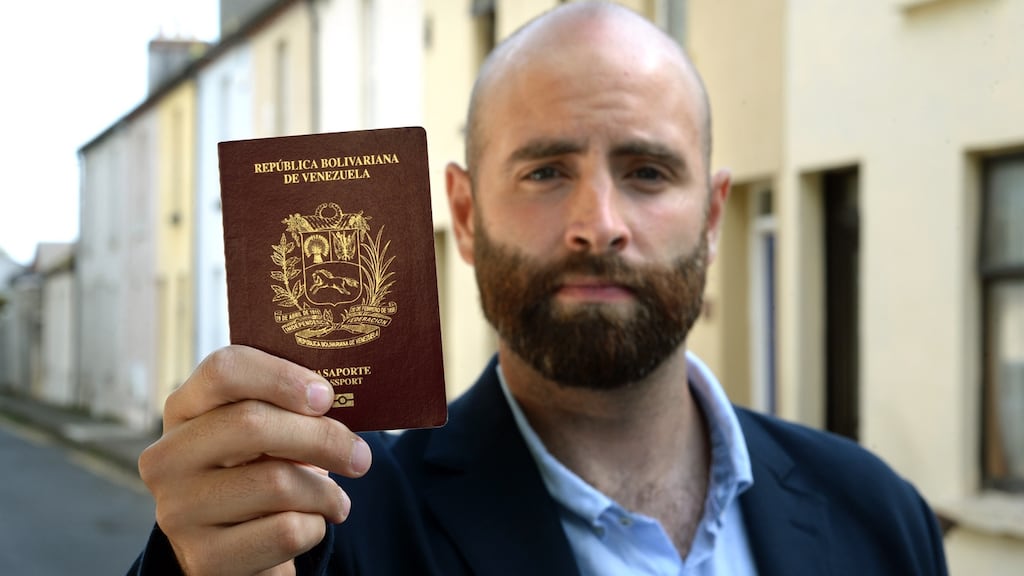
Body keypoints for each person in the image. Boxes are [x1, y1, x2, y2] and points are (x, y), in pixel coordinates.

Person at [129, 2, 949, 575]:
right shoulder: (331, 526)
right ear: (464, 210)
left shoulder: (879, 516)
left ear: (711, 212)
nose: (599, 223)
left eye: (648, 172)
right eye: (547, 171)